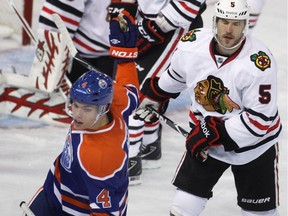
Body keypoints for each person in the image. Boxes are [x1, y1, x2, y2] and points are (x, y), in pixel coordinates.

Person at [134, 0, 282, 215]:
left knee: (258, 213)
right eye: (224, 22)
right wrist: (155, 96)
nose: (229, 30)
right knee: (182, 208)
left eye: (236, 23)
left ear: (245, 25)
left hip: (254, 147)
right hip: (205, 142)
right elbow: (175, 76)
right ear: (215, 21)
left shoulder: (258, 63)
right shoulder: (192, 44)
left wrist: (213, 132)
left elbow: (260, 120)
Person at [23, 10, 139, 215]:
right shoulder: (117, 99)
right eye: (75, 105)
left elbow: (105, 212)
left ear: (103, 108)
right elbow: (130, 90)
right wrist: (124, 53)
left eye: (86, 109)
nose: (76, 114)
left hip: (78, 207)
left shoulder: (101, 158)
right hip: (58, 186)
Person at [126, 0, 207, 185]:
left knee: (137, 92)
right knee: (148, 88)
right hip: (149, 24)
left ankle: (129, 161)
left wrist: (159, 25)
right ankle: (149, 146)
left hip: (175, 29)